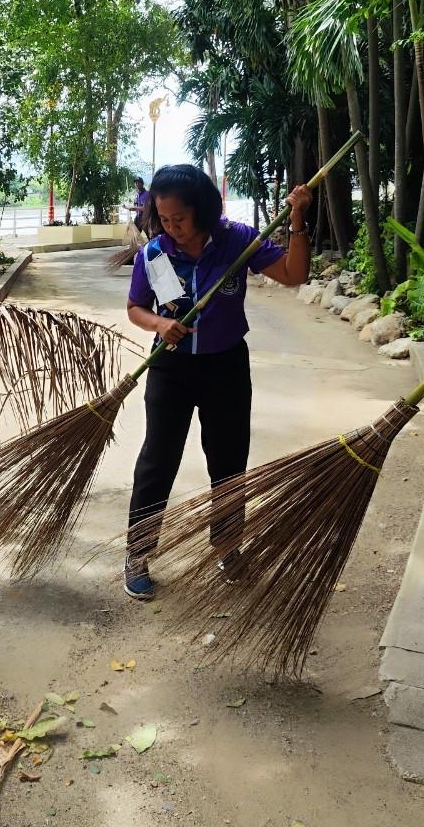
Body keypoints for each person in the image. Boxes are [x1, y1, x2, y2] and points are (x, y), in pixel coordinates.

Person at [123, 164, 312, 600]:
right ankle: (138, 551)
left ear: (204, 211)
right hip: (171, 368)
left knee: (228, 462)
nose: (173, 229)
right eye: (165, 220)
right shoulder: (154, 253)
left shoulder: (238, 241)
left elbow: (293, 275)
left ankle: (228, 546)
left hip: (226, 367)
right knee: (158, 459)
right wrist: (158, 324)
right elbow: (136, 308)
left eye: (180, 220)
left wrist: (298, 218)